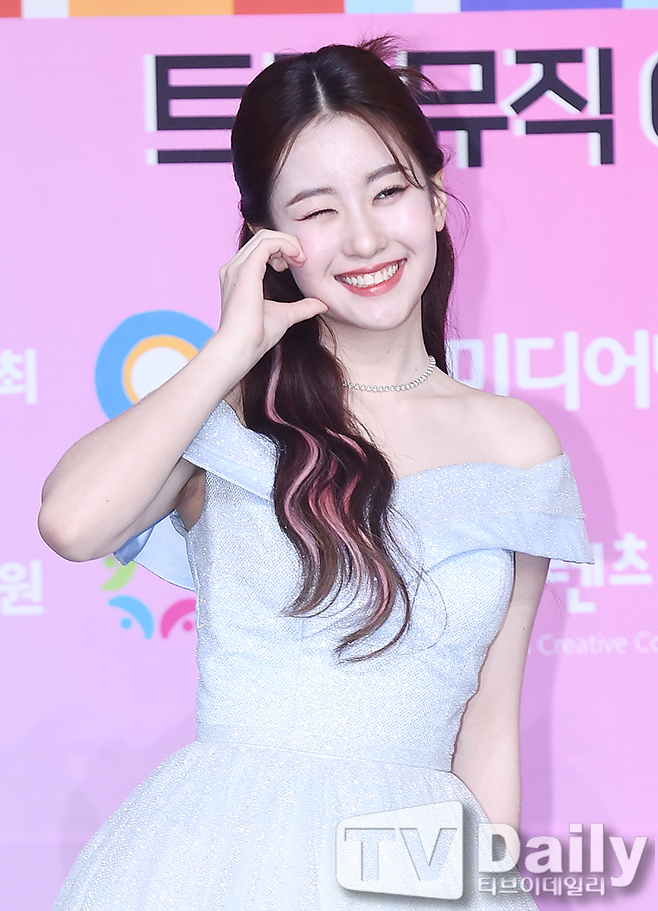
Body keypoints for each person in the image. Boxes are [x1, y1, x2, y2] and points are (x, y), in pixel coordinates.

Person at [39, 38, 593, 910]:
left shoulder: (517, 445)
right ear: (270, 241)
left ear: (436, 198)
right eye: (318, 209)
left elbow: (489, 729)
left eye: (388, 190)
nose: (366, 237)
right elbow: (72, 524)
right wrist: (228, 351)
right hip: (222, 860)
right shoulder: (227, 414)